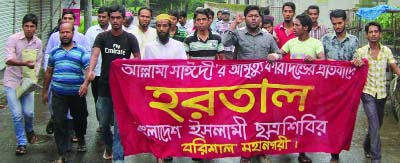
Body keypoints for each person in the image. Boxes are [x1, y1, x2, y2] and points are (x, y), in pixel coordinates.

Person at [223, 5, 279, 163]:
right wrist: (234, 23)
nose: (253, 18)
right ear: (245, 18)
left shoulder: (268, 37)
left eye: (256, 16)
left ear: (260, 19)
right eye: (250, 16)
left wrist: (275, 55)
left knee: (263, 120)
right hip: (244, 87)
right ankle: (245, 153)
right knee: (245, 120)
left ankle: (261, 152)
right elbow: (225, 41)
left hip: (263, 87)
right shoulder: (238, 34)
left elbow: (280, 52)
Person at [85, 5, 140, 162]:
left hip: (122, 89)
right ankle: (108, 146)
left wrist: (126, 63)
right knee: (103, 125)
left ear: (123, 19)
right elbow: (94, 55)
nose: (115, 21)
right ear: (109, 19)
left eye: (118, 18)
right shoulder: (102, 37)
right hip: (104, 86)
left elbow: (138, 58)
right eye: (113, 18)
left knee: (119, 126)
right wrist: (90, 71)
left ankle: (118, 158)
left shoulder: (130, 38)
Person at [268, 14, 325, 163]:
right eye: (294, 25)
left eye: (297, 25)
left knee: (305, 122)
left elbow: (323, 60)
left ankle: (302, 152)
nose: (294, 28)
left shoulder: (316, 43)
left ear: (305, 28)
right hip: (292, 90)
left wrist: (314, 60)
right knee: (290, 119)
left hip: (309, 91)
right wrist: (274, 56)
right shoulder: (291, 43)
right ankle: (286, 146)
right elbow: (281, 53)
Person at [42, 21, 90, 163]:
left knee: (80, 120)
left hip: (77, 94)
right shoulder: (54, 52)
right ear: (59, 34)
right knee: (59, 123)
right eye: (62, 32)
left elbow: (88, 70)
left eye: (67, 32)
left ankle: (81, 138)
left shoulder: (81, 50)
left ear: (72, 33)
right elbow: (48, 72)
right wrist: (45, 92)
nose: (64, 35)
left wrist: (86, 84)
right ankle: (62, 154)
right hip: (59, 94)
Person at [145, 14, 187, 163]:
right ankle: (159, 154)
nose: (161, 29)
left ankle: (168, 150)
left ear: (170, 28)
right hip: (156, 93)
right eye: (159, 26)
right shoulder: (149, 47)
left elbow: (183, 70)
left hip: (174, 93)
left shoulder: (178, 46)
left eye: (165, 26)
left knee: (171, 124)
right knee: (157, 124)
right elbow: (146, 71)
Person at [356, 22, 400, 163]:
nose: (373, 34)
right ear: (366, 35)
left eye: (376, 31)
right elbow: (353, 65)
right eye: (371, 32)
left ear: (380, 34)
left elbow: (394, 67)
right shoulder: (361, 51)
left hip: (382, 93)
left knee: (377, 124)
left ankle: (367, 145)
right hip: (367, 92)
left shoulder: (386, 51)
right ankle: (376, 159)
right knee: (374, 124)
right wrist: (355, 62)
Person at [321, 9, 359, 163]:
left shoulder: (354, 40)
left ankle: (337, 149)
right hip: (328, 88)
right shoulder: (325, 39)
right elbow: (321, 61)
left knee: (343, 120)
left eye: (339, 23)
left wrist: (357, 61)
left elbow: (356, 58)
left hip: (346, 89)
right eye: (334, 23)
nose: (337, 26)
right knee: (329, 120)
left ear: (346, 22)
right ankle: (333, 153)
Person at [3, 13, 42, 155]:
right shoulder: (13, 39)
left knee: (29, 112)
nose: (29, 29)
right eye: (27, 26)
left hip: (27, 82)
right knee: (17, 114)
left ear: (36, 28)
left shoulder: (38, 42)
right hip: (12, 81)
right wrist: (24, 63)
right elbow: (8, 59)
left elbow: (38, 61)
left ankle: (29, 129)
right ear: (22, 26)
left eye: (32, 26)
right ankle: (21, 143)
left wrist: (35, 75)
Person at [84, 6, 111, 132]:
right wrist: (89, 70)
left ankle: (111, 120)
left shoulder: (114, 31)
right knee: (98, 98)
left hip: (111, 73)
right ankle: (101, 122)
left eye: (104, 17)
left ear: (109, 17)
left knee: (112, 98)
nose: (101, 19)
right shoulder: (91, 31)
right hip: (96, 72)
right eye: (99, 17)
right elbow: (88, 51)